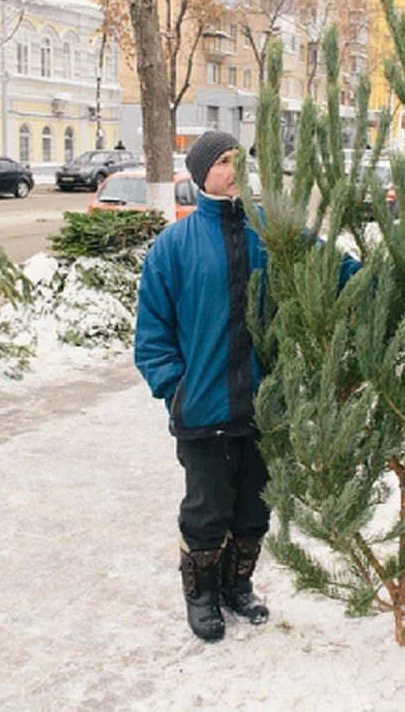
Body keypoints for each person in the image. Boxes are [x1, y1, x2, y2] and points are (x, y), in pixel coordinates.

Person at [135, 130, 270, 642]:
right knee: (207, 511)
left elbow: (330, 269)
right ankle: (202, 595)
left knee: (254, 509)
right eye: (225, 161)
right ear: (200, 173)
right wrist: (178, 390)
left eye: (241, 160)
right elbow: (152, 337)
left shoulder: (268, 232)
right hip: (204, 411)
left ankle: (238, 586)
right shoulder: (174, 246)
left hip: (262, 408)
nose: (236, 169)